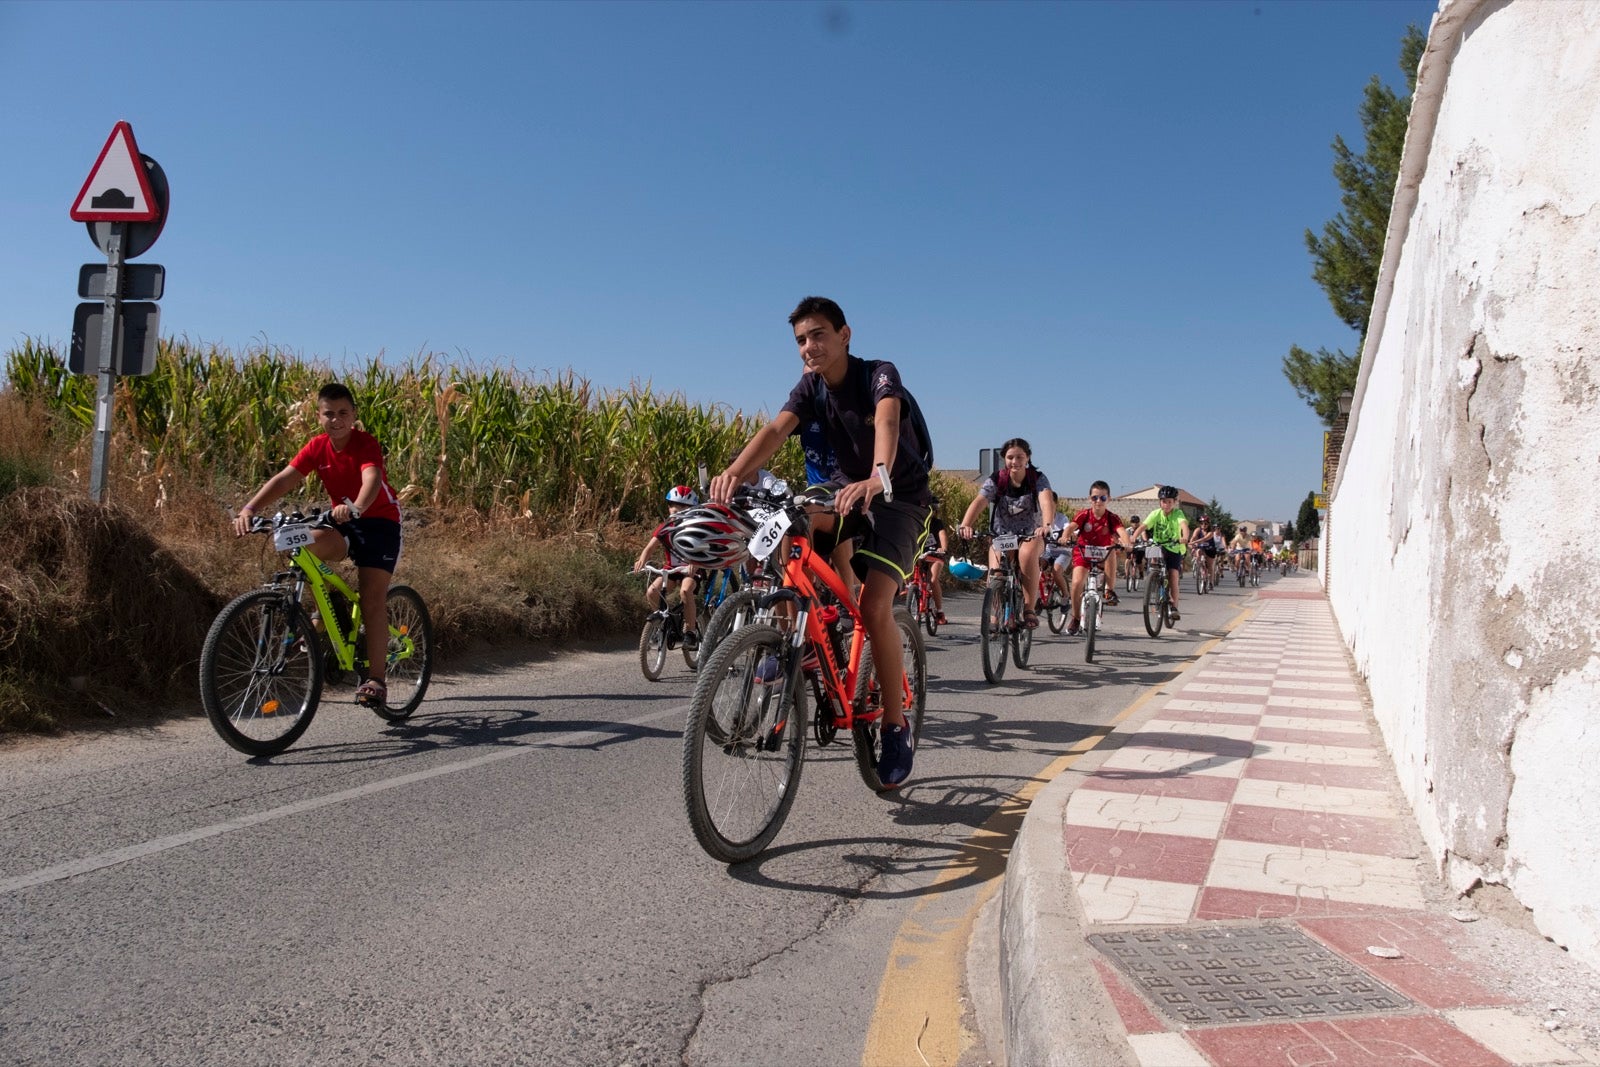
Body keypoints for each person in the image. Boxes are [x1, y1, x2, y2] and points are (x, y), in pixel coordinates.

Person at [710, 296, 933, 789]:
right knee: (787, 524)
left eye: (818, 335)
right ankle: (800, 640)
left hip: (898, 497)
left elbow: (889, 422)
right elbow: (775, 429)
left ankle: (895, 727)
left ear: (844, 334)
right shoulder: (810, 387)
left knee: (875, 607)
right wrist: (733, 472)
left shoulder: (878, 374)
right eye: (800, 340)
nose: (809, 347)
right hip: (841, 493)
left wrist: (878, 478)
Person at [233, 382, 402, 708]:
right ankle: (331, 604)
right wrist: (249, 509)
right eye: (329, 414)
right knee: (302, 547)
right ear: (318, 416)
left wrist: (356, 506)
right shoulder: (317, 447)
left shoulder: (365, 444)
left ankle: (376, 680)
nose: (336, 420)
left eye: (343, 413)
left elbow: (372, 479)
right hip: (343, 522)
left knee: (371, 599)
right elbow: (284, 478)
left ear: (353, 415)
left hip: (379, 522)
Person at [957, 438, 1055, 629]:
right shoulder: (997, 479)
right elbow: (980, 501)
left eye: (1019, 457)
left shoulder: (1037, 478)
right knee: (996, 572)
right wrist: (966, 524)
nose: (1014, 461)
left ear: (1027, 458)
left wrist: (1047, 525)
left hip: (1030, 534)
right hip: (1002, 535)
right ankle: (998, 612)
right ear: (1004, 459)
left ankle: (1028, 608)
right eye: (1010, 457)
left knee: (1027, 555)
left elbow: (1046, 501)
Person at [632, 484, 702, 648]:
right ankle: (665, 620)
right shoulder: (666, 527)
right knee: (652, 592)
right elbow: (650, 547)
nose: (678, 512)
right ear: (669, 508)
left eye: (684, 508)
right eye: (674, 508)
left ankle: (690, 631)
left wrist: (695, 563)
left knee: (686, 591)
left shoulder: (696, 528)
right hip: (671, 570)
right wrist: (642, 560)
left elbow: (702, 549)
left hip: (690, 571)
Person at [1062, 480, 1131, 634]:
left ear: (1109, 499)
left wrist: (1127, 543)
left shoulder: (1112, 518)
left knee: (1112, 551)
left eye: (1102, 498)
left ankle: (1109, 590)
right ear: (1089, 499)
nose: (1098, 501)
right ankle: (1075, 617)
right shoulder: (1084, 515)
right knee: (1076, 583)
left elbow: (1122, 532)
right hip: (1083, 552)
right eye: (1095, 498)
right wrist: (1065, 537)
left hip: (1103, 553)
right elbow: (1071, 527)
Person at [1127, 486, 1190, 622]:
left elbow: (1184, 525)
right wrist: (1133, 537)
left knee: (1173, 574)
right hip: (1158, 545)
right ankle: (1154, 581)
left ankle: (1174, 607)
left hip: (1174, 547)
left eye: (1169, 501)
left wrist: (1184, 537)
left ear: (1174, 502)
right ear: (1160, 502)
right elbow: (1143, 526)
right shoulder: (1156, 513)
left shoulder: (1178, 514)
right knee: (1154, 564)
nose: (1166, 504)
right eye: (1163, 501)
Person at [917, 501, 952, 625]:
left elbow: (942, 535)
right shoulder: (917, 523)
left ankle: (939, 612)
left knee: (932, 579)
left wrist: (943, 548)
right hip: (920, 556)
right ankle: (914, 594)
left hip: (934, 555)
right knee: (911, 576)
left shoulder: (937, 523)